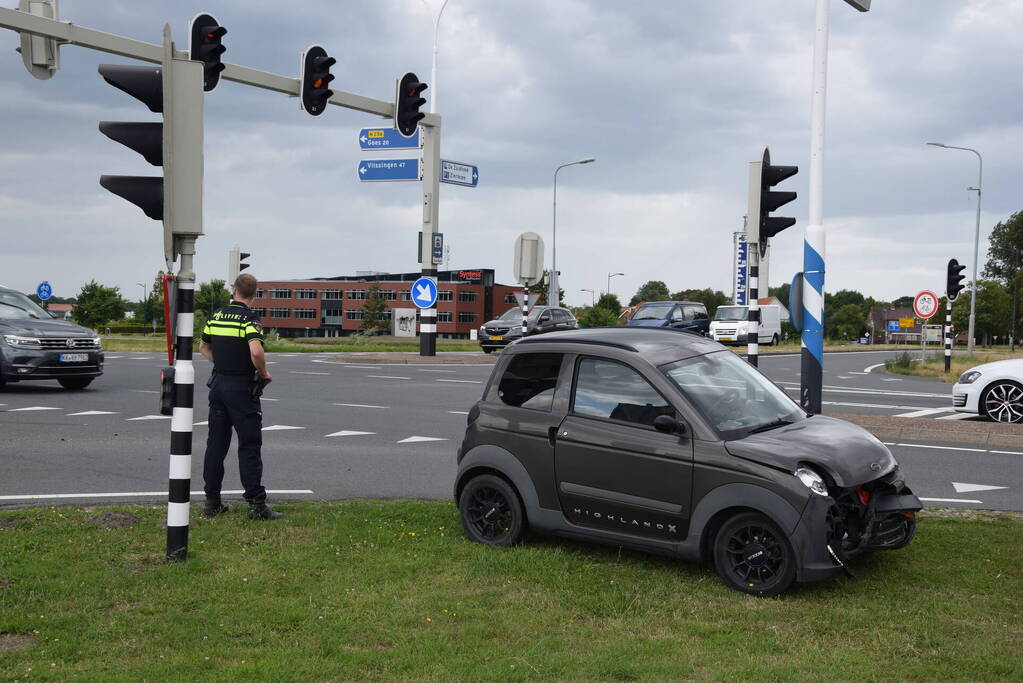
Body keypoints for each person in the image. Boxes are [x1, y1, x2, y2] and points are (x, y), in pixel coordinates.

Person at [198, 273, 282, 520]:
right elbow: (256, 350)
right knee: (249, 445)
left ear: (234, 290)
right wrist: (263, 372)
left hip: (219, 385)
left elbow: (203, 346)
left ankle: (212, 502)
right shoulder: (249, 318)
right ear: (254, 296)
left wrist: (222, 363)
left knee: (216, 444)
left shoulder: (217, 315)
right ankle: (256, 505)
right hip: (241, 389)